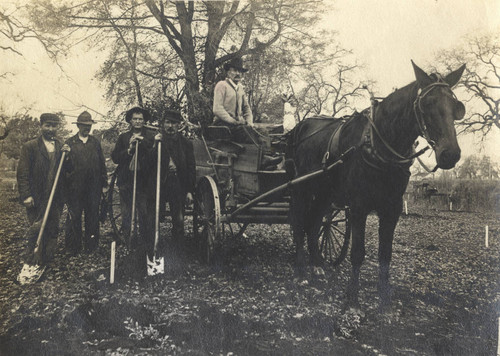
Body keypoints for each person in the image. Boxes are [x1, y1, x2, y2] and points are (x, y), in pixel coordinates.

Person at [17, 113, 69, 264]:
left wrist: (68, 156)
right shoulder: (30, 147)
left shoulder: (60, 146)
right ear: (41, 126)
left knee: (53, 228)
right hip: (37, 195)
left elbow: (67, 170)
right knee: (36, 227)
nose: (50, 129)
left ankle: (47, 259)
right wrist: (26, 195)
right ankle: (33, 258)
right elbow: (23, 173)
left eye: (54, 126)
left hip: (55, 196)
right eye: (47, 125)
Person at [212, 57, 281, 168]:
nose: (238, 73)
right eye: (234, 70)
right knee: (246, 131)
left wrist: (249, 122)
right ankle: (261, 160)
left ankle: (266, 157)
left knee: (262, 131)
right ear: (229, 72)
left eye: (240, 71)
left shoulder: (240, 88)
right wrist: (233, 121)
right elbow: (217, 109)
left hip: (238, 126)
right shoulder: (221, 85)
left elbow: (247, 108)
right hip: (223, 125)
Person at [111, 107, 155, 276]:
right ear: (130, 120)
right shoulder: (123, 137)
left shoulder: (150, 136)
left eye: (140, 119)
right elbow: (115, 158)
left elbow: (153, 156)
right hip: (126, 183)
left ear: (144, 121)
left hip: (144, 183)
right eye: (135, 119)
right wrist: (129, 149)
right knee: (127, 216)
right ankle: (129, 247)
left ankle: (145, 251)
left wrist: (142, 143)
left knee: (144, 215)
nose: (138, 121)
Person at [64, 111, 108, 255]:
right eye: (83, 125)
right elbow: (65, 168)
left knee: (93, 216)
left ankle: (92, 246)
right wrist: (66, 156)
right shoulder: (70, 143)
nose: (86, 128)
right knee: (74, 216)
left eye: (88, 125)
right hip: (75, 188)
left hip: (93, 188)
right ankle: (73, 247)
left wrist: (104, 184)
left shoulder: (95, 142)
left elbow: (102, 163)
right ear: (78, 125)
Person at [154, 109, 195, 257]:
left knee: (178, 220)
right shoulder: (157, 140)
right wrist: (154, 144)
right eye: (168, 122)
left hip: (178, 185)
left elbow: (191, 168)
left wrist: (190, 190)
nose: (170, 126)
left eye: (174, 123)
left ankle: (177, 253)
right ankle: (155, 250)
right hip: (159, 185)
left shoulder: (186, 144)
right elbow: (149, 164)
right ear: (163, 124)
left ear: (179, 125)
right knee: (156, 217)